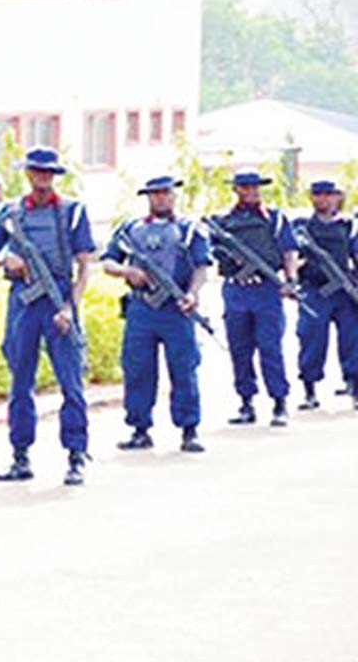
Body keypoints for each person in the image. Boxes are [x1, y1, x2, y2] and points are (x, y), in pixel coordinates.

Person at [0, 146, 96, 486]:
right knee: (20, 382)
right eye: (37, 171)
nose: (43, 177)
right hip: (24, 303)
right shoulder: (9, 213)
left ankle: (76, 455)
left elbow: (86, 264)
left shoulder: (73, 212)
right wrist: (6, 261)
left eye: (49, 172)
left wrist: (68, 308)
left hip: (58, 298)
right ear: (28, 174)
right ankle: (20, 456)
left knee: (71, 382)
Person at [102, 176, 212, 453]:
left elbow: (201, 267)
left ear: (173, 195)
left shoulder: (189, 229)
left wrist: (193, 293)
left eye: (165, 193)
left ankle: (189, 429)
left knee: (184, 369)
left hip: (176, 309)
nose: (161, 198)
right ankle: (140, 429)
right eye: (155, 194)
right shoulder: (130, 229)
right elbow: (108, 261)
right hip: (142, 308)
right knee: (137, 369)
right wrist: (128, 272)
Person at [209, 168, 301, 427]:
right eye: (245, 187)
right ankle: (246, 402)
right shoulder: (224, 221)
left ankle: (279, 402)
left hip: (266, 289)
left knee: (270, 347)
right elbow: (210, 251)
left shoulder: (274, 218)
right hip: (236, 289)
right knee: (240, 348)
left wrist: (290, 280)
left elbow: (289, 250)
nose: (250, 191)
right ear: (235, 189)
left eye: (254, 187)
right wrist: (232, 261)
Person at [292, 179, 358, 410]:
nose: (324, 198)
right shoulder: (302, 226)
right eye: (318, 194)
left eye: (329, 194)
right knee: (311, 339)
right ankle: (310, 391)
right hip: (314, 289)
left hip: (343, 292)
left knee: (352, 341)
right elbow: (289, 255)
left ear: (338, 197)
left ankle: (354, 387)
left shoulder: (348, 226)